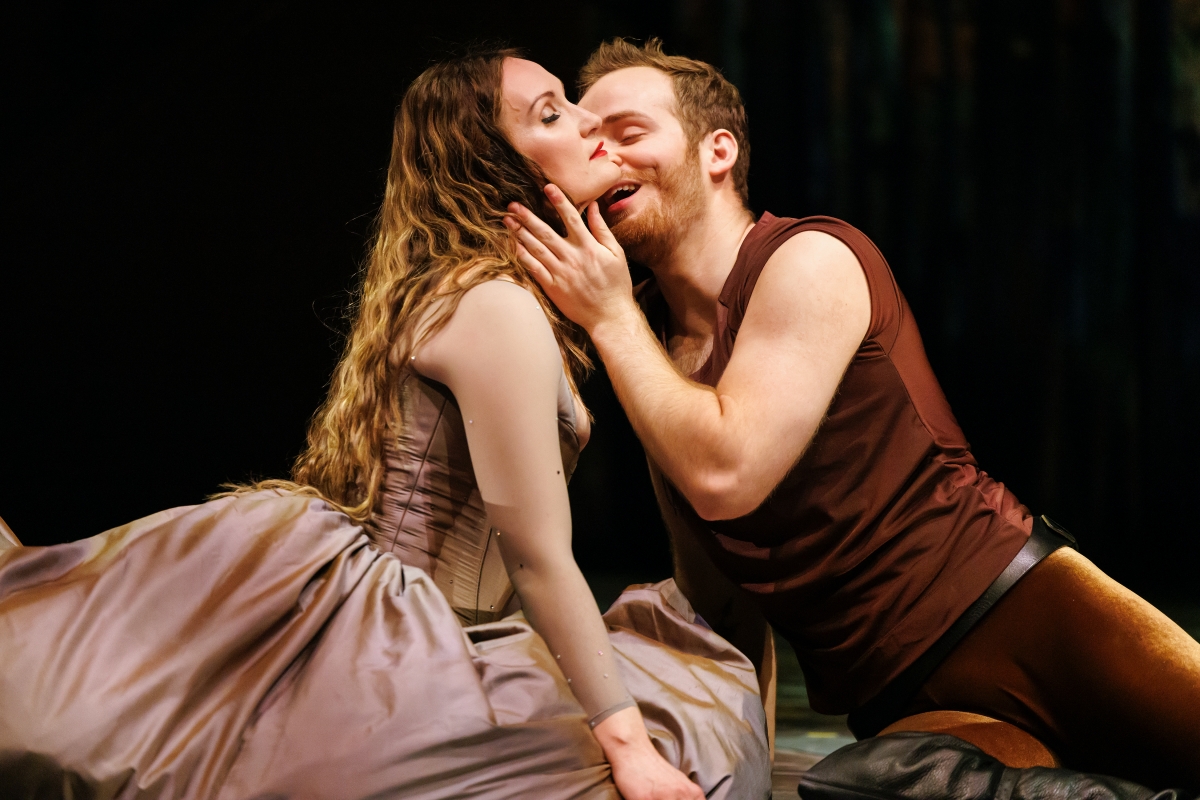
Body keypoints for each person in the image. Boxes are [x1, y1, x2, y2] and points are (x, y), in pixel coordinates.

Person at [0, 50, 770, 800]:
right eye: (550, 114)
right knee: (689, 732)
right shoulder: (495, 307)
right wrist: (628, 749)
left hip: (437, 632)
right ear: (495, 165)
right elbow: (536, 559)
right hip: (403, 649)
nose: (588, 121)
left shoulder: (487, 294)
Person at [507, 37, 1200, 792]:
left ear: (717, 152)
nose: (604, 153)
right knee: (850, 787)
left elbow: (727, 473)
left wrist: (610, 318)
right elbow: (720, 602)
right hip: (909, 706)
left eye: (630, 132)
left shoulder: (808, 259)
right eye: (591, 140)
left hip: (1025, 620)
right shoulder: (653, 345)